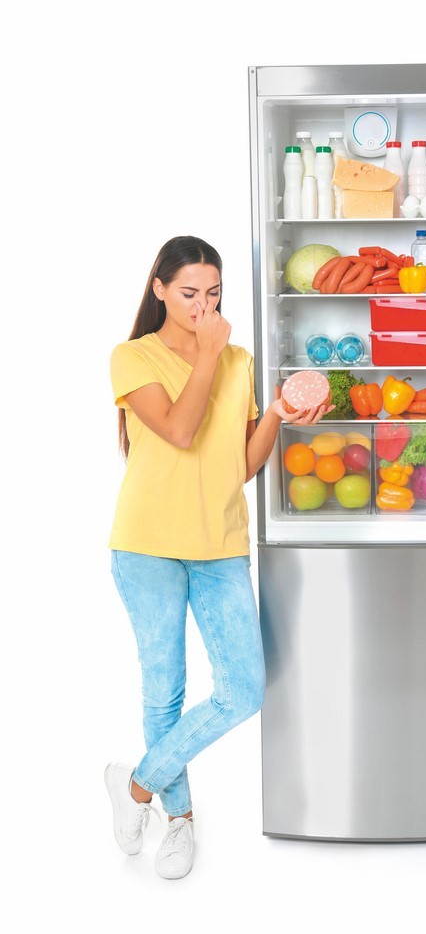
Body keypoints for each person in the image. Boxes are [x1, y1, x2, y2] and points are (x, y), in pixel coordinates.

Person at [105, 235, 331, 879]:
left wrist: (278, 412)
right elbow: (179, 430)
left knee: (243, 690)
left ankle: (137, 785)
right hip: (147, 545)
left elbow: (241, 466)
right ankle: (179, 820)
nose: (203, 306)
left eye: (214, 294)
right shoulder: (132, 357)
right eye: (188, 293)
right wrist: (207, 354)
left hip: (220, 546)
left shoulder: (239, 360)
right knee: (164, 692)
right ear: (159, 290)